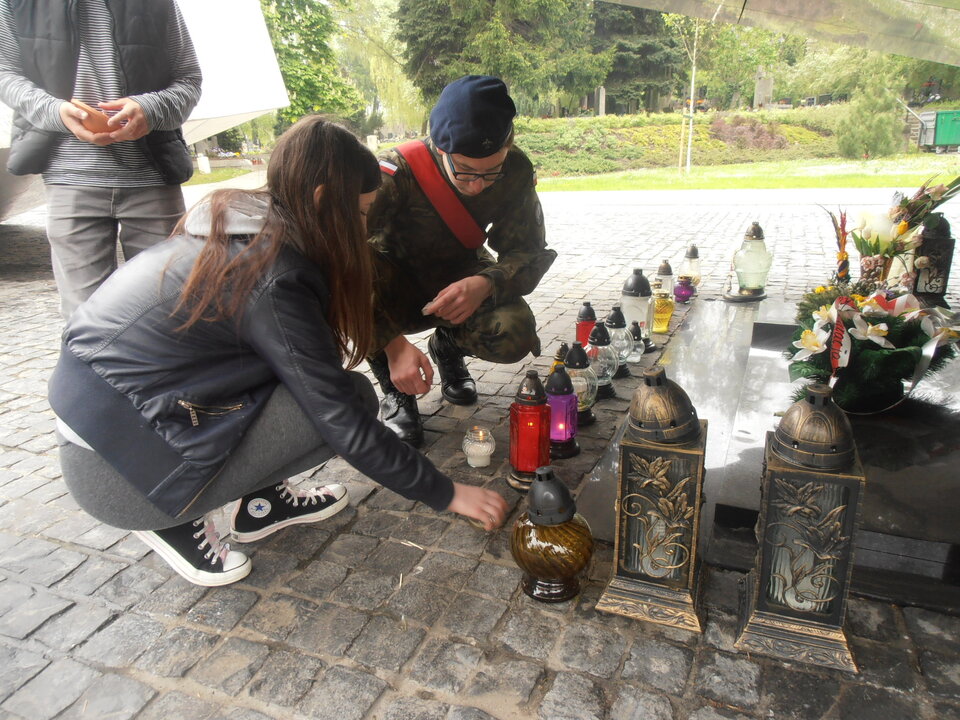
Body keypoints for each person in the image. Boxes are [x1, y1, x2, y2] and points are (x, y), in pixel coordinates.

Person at [48, 117, 508, 587]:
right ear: (323, 200)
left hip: (109, 417)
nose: (364, 227)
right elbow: (339, 419)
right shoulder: (273, 273)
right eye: (361, 213)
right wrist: (446, 492)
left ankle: (263, 506)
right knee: (348, 402)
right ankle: (175, 521)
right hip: (114, 466)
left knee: (325, 386)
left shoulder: (250, 223)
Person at [366, 75, 557, 447]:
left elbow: (529, 251)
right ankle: (395, 390)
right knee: (361, 278)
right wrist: (392, 344)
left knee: (514, 333)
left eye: (491, 172)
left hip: (459, 276)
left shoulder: (515, 169)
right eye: (465, 171)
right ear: (441, 148)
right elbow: (340, 261)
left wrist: (486, 283)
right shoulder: (391, 173)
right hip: (387, 284)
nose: (477, 185)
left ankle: (447, 347)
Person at [0, 0, 202, 319]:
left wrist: (150, 109)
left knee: (169, 315)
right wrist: (54, 112)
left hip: (152, 177)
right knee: (85, 321)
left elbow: (189, 80)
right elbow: (5, 73)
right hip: (68, 177)